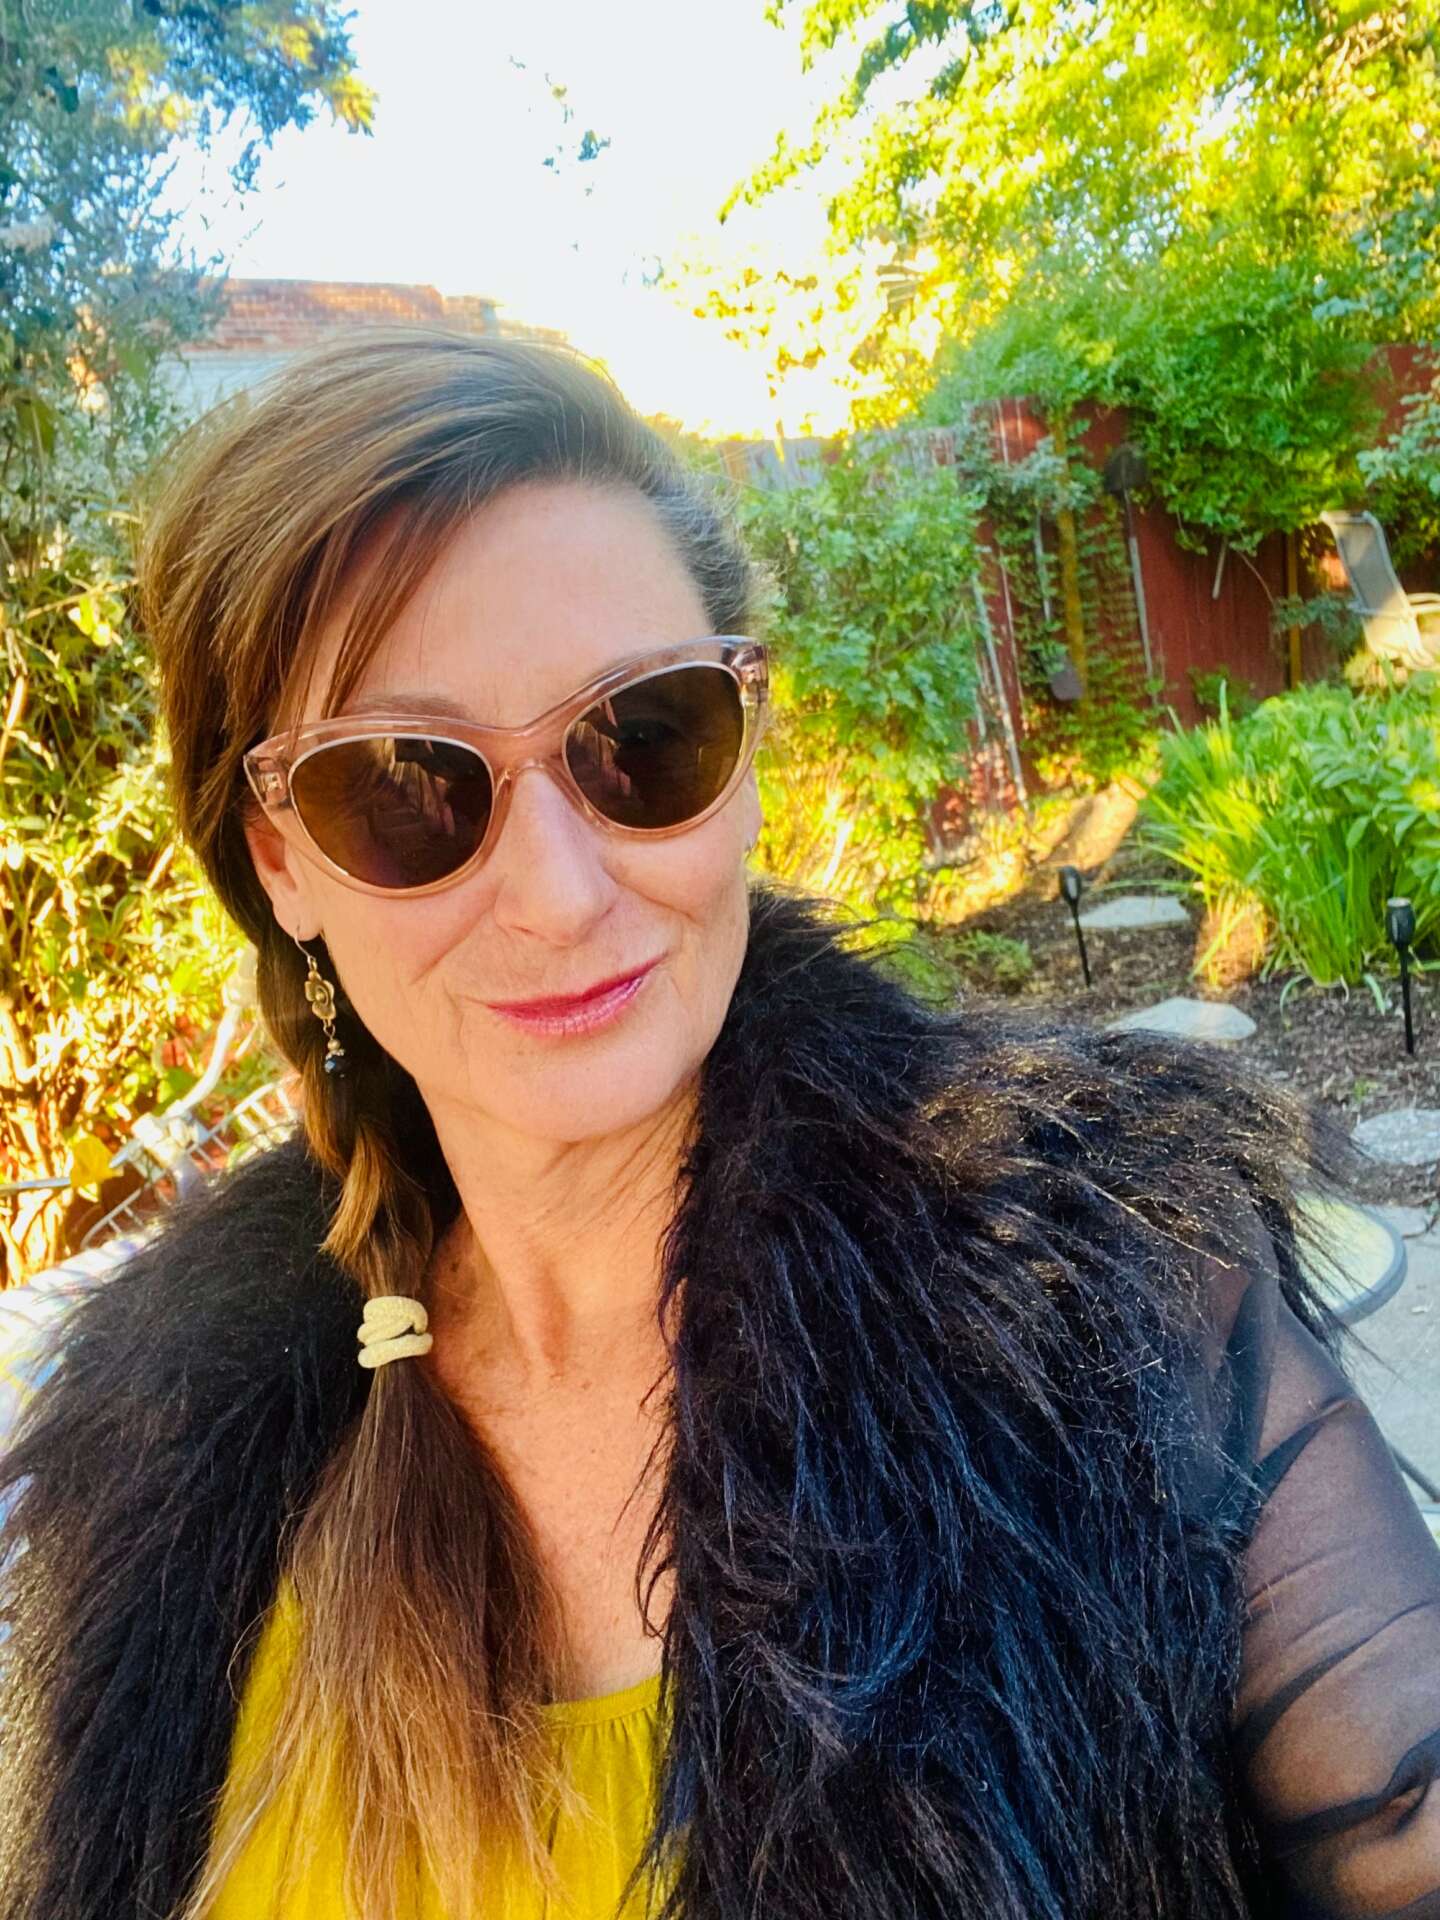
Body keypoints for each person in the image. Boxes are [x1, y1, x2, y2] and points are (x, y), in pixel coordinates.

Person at [0, 329, 1436, 1920]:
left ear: (747, 754)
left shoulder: (1102, 1298)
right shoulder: (165, 1453)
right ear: (280, 862)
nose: (560, 895)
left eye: (645, 733)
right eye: (405, 788)